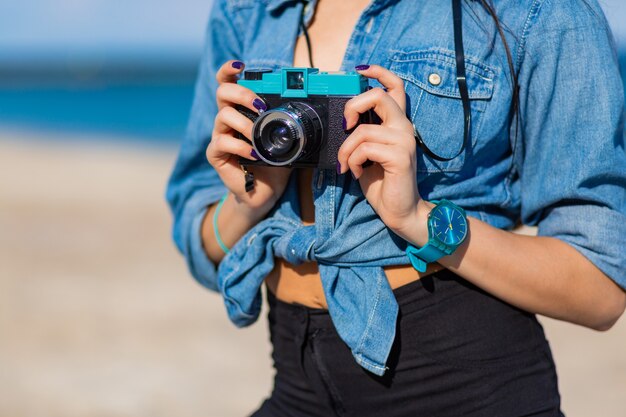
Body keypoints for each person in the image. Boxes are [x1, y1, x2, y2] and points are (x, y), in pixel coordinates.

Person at [166, 0, 626, 415]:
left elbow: (599, 289)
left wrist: (417, 219)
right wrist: (250, 201)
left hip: (461, 384)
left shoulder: (538, 13)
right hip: (296, 376)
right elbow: (199, 235)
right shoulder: (249, 9)